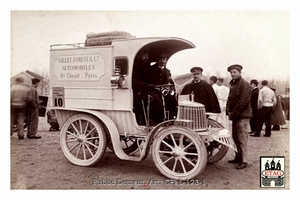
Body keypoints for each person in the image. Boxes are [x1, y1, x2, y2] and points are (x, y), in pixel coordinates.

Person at [226, 64, 252, 169]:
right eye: (231, 72)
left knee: (242, 138)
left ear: (240, 73)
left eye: (235, 72)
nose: (232, 74)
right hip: (236, 115)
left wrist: (234, 113)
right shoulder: (232, 84)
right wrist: (228, 111)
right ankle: (238, 157)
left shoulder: (244, 84)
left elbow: (243, 101)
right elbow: (229, 99)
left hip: (243, 115)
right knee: (235, 137)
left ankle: (244, 160)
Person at [147, 53, 178, 121]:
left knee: (173, 100)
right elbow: (148, 82)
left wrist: (173, 90)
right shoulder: (151, 69)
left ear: (166, 60)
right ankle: (159, 120)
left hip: (165, 91)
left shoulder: (167, 71)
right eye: (160, 59)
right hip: (154, 91)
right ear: (157, 60)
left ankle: (173, 118)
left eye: (164, 59)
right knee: (158, 101)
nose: (162, 61)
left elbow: (171, 83)